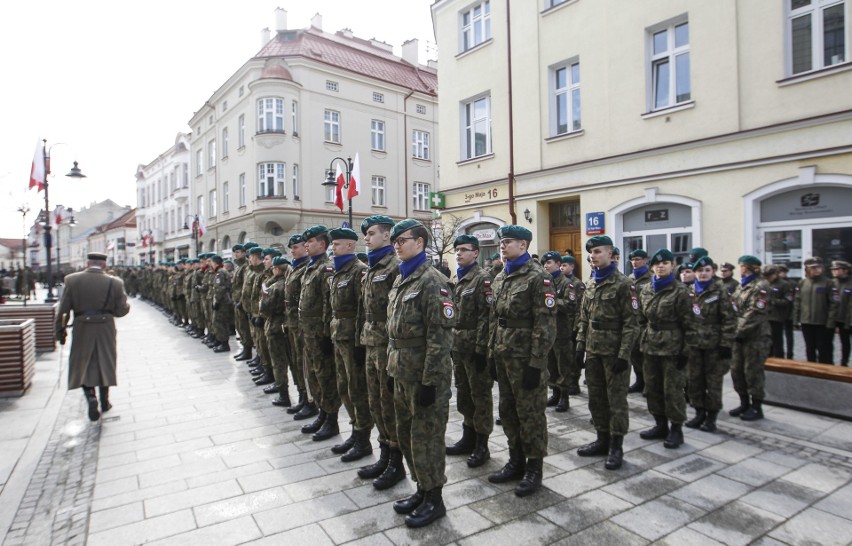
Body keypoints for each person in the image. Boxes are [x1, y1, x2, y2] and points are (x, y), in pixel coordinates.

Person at [386, 219, 456, 528]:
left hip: (425, 376)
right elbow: (395, 332)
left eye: (402, 239)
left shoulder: (432, 280)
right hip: (402, 372)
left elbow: (440, 337)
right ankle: (421, 488)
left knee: (426, 438)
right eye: (395, 241)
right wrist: (391, 368)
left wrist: (430, 381)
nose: (397, 245)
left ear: (420, 242)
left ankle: (434, 498)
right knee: (406, 435)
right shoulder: (402, 279)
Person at [487, 225, 556, 496]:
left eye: (508, 242)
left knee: (531, 414)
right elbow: (496, 318)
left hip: (526, 358)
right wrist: (492, 353)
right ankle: (515, 461)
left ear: (523, 246)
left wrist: (536, 363)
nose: (502, 246)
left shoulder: (539, 277)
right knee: (508, 411)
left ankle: (534, 468)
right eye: (501, 242)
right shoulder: (501, 276)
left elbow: (546, 325)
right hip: (504, 355)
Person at [574, 235, 640, 470]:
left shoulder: (623, 284)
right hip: (593, 351)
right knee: (596, 398)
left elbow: (632, 323)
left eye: (598, 251)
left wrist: (624, 355)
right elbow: (583, 319)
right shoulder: (591, 283)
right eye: (591, 252)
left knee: (616, 401)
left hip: (614, 353)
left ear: (611, 255)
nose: (593, 256)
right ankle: (602, 439)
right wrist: (580, 347)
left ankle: (616, 446)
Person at [357, 215, 406, 490]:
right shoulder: (373, 267)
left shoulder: (395, 267)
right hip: (371, 344)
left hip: (388, 347)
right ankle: (384, 453)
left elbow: (397, 314)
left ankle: (396, 463)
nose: (366, 238)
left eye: (371, 233)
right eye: (365, 234)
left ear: (386, 236)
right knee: (376, 402)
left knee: (390, 406)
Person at [55, 252, 131, 422]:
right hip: (105, 326)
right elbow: (121, 311)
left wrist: (60, 331)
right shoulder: (115, 282)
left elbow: (63, 310)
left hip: (82, 326)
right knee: (105, 361)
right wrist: (125, 305)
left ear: (87, 263)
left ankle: (90, 396)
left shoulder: (72, 280)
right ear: (104, 265)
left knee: (83, 363)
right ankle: (105, 401)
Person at [637, 249, 694, 449]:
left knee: (673, 389)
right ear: (652, 267)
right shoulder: (645, 289)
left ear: (672, 266)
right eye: (657, 264)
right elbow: (641, 319)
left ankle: (676, 428)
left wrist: (685, 351)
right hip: (650, 345)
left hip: (673, 347)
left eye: (666, 263)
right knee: (652, 388)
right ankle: (660, 424)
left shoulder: (681, 291)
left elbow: (690, 324)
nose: (661, 266)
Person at [445, 234, 493, 467]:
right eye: (457, 250)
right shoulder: (459, 279)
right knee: (464, 394)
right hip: (459, 346)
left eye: (464, 250)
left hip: (475, 347)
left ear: (476, 253)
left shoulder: (482, 279)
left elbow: (487, 316)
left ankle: (482, 445)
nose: (459, 253)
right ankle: (468, 437)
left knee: (480, 396)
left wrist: (481, 348)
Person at [328, 227, 372, 462]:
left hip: (352, 339)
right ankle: (355, 431)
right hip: (338, 336)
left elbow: (363, 310)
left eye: (336, 244)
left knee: (357, 390)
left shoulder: (359, 271)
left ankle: (364, 438)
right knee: (344, 387)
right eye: (332, 244)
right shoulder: (338, 271)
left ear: (350, 246)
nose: (332, 248)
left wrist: (358, 344)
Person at [685, 255, 736, 433]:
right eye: (699, 271)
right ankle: (699, 412)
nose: (703, 274)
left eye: (707, 270)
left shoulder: (720, 291)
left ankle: (711, 417)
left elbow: (729, 320)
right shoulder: (689, 291)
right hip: (693, 346)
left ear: (712, 272)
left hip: (714, 346)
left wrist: (726, 344)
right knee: (694, 381)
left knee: (713, 382)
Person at [299, 226, 340, 441]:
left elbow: (329, 304)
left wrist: (325, 334)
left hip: (319, 334)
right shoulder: (311, 266)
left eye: (311, 241)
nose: (306, 244)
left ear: (322, 244)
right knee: (314, 374)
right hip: (309, 332)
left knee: (325, 376)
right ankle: (322, 413)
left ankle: (331, 419)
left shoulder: (326, 269)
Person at [729, 255, 771, 421]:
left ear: (748, 267)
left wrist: (737, 331)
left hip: (756, 337)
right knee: (737, 370)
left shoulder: (761, 286)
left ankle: (756, 406)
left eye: (742, 266)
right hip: (739, 337)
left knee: (752, 371)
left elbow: (754, 313)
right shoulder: (742, 286)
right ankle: (744, 402)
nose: (740, 269)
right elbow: (733, 307)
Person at [284, 235, 312, 415]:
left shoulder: (306, 268)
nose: (292, 251)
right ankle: (302, 396)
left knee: (305, 365)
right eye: (291, 248)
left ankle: (310, 401)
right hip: (292, 323)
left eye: (295, 247)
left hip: (303, 326)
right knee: (295, 362)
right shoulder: (293, 268)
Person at [259, 255, 292, 404]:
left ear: (277, 269)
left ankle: (283, 394)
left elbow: (264, 309)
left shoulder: (275, 287)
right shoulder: (287, 283)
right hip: (284, 326)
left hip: (274, 326)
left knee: (278, 361)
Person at [541, 251, 571, 411]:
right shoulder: (544, 282)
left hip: (561, 332)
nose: (546, 266)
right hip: (547, 332)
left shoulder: (566, 283)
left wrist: (552, 302)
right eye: (544, 263)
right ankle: (555, 393)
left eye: (549, 263)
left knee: (562, 366)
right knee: (550, 365)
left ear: (559, 264)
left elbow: (571, 305)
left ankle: (564, 397)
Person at [794, 257, 834, 364]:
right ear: (807, 269)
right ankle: (811, 369)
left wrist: (830, 322)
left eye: (819, 267)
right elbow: (797, 302)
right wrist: (796, 319)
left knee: (822, 347)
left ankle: (823, 370)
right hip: (806, 321)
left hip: (822, 321)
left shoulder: (828, 283)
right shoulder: (802, 283)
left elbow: (833, 304)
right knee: (809, 346)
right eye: (813, 268)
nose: (816, 270)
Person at [559, 255, 585, 395]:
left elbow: (579, 308)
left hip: (572, 325)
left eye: (565, 265)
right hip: (562, 325)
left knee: (574, 356)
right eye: (561, 265)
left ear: (572, 267)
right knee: (564, 357)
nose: (562, 268)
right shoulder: (559, 282)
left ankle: (575, 382)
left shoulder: (577, 284)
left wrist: (575, 328)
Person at [628, 249, 652, 394]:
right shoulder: (630, 278)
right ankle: (639, 381)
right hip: (632, 323)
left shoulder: (650, 279)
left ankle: (649, 384)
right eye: (633, 260)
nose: (635, 262)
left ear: (645, 260)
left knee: (646, 357)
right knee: (635, 356)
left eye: (638, 259)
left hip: (645, 324)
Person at [765, 265, 793, 358]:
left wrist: (773, 301)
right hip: (765, 316)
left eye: (770, 275)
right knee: (767, 340)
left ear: (775, 274)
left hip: (777, 316)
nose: (768, 277)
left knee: (777, 340)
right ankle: (769, 358)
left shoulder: (784, 284)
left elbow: (787, 300)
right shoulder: (765, 283)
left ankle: (779, 358)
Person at [210, 255, 233, 353]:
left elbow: (220, 289)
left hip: (222, 302)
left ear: (215, 263)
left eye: (211, 262)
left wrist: (217, 301)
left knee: (220, 323)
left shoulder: (220, 273)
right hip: (224, 300)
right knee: (219, 322)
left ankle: (224, 344)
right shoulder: (222, 271)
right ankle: (221, 342)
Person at [830, 261, 851, 367]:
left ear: (845, 270)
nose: (834, 271)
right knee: (829, 341)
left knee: (845, 342)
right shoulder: (831, 283)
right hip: (833, 318)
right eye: (833, 269)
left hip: (847, 318)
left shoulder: (850, 283)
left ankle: (844, 362)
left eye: (837, 269)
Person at [777, 264, 796, 359]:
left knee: (789, 335)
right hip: (777, 314)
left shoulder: (791, 283)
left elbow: (792, 299)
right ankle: (779, 353)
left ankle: (790, 354)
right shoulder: (775, 283)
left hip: (788, 312)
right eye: (780, 272)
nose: (781, 274)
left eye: (783, 272)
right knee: (778, 335)